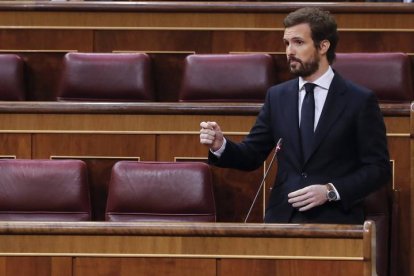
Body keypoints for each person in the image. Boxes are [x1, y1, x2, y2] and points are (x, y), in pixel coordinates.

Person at [199, 7, 391, 224]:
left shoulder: (359, 100)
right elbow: (252, 154)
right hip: (282, 219)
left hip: (335, 221)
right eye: (287, 43)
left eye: (299, 42)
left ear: (323, 46)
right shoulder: (278, 96)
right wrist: (220, 145)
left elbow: (378, 168)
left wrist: (330, 191)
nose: (290, 51)